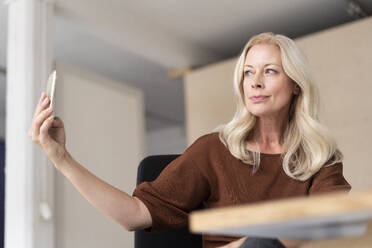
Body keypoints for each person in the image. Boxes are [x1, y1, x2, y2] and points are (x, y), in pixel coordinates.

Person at [29, 32, 351, 248]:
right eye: (248, 72)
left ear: (296, 83)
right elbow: (134, 215)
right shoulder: (214, 150)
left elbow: (332, 219)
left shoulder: (319, 157)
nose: (255, 82)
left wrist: (259, 240)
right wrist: (61, 158)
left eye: (270, 71)